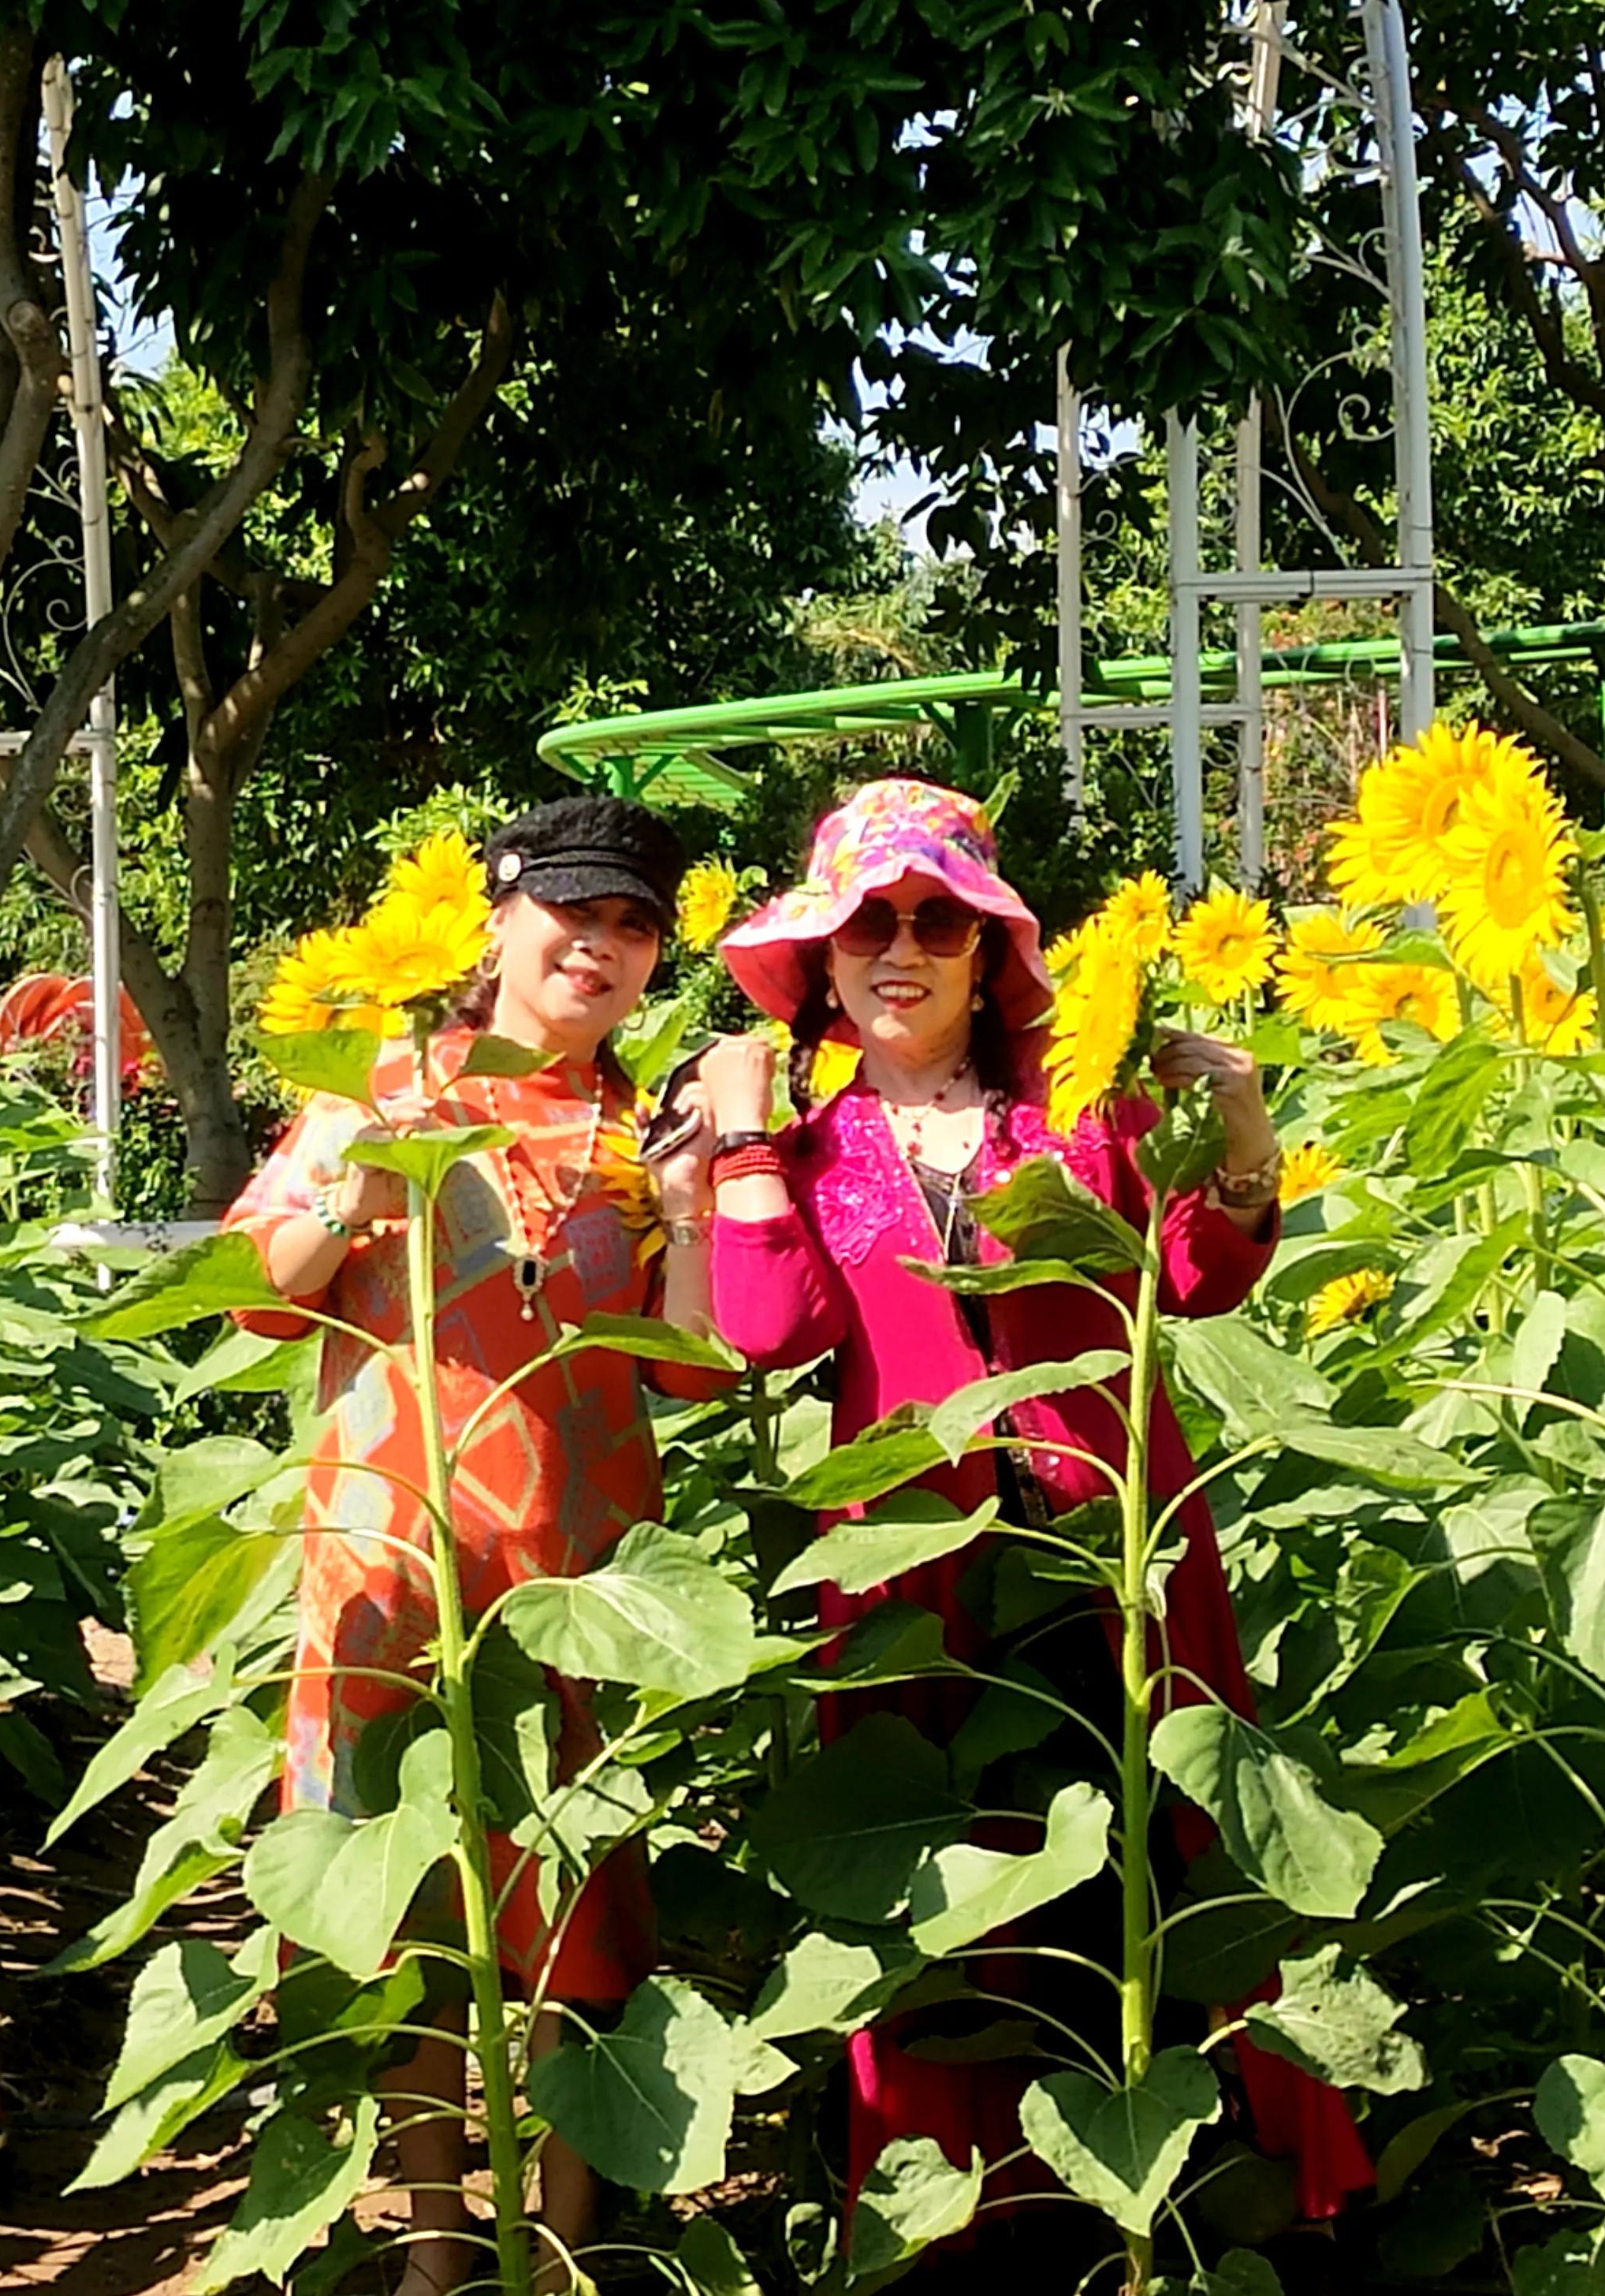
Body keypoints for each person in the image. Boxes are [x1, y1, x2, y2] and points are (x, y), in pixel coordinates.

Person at [698, 776, 1373, 2237]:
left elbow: (1199, 1276)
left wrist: (1243, 1120)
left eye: (937, 920)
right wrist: (745, 1144)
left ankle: (1194, 2195)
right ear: (820, 957)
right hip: (914, 1569)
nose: (902, 947)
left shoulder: (1084, 1111)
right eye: (868, 921)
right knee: (942, 1871)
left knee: (1159, 1842)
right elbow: (766, 1329)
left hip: (1113, 1538)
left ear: (989, 953)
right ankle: (971, 2215)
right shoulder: (808, 1148)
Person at [223, 798, 729, 2296]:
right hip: (392, 1564)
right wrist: (357, 1187)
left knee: (576, 1914)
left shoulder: (641, 1128)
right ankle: (438, 2249)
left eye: (634, 927)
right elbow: (259, 1290)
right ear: (497, 922)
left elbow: (694, 1366)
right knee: (415, 1916)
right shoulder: (379, 1080)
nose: (602, 946)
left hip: (580, 1581)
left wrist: (692, 1212)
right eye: (574, 912)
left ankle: (562, 2246)